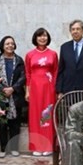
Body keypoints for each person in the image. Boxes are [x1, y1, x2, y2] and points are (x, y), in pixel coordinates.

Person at [25, 27, 58, 156]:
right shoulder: (29, 55)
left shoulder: (53, 54)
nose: (42, 38)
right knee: (35, 116)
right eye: (39, 36)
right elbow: (27, 74)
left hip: (48, 88)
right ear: (35, 38)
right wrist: (27, 91)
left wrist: (55, 89)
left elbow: (56, 72)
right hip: (34, 89)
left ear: (47, 38)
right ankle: (36, 146)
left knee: (47, 115)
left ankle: (48, 146)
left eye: (44, 36)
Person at [0, 36, 26, 158]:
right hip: (1, 95)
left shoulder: (19, 60)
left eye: (12, 43)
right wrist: (2, 89)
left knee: (15, 123)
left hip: (16, 95)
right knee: (3, 123)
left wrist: (12, 89)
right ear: (2, 45)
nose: (10, 46)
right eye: (7, 44)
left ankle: (14, 148)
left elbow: (23, 77)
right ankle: (2, 149)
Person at [56, 19, 83, 97]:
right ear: (70, 31)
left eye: (78, 29)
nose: (75, 31)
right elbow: (61, 70)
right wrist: (59, 90)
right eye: (73, 29)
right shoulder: (64, 47)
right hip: (68, 90)